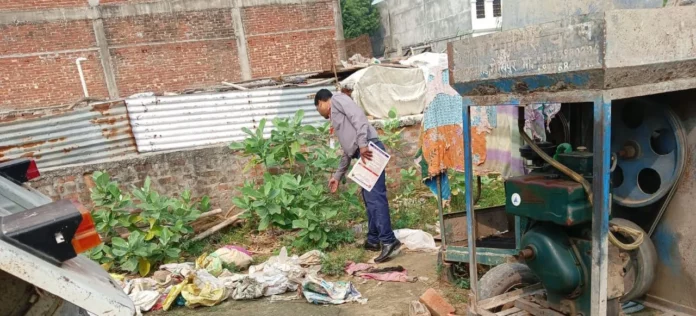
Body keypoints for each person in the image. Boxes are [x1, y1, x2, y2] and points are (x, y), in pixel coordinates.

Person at [314, 88, 401, 263]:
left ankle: (388, 241)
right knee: (369, 197)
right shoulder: (336, 116)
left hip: (369, 150)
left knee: (375, 197)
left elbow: (359, 118)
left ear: (322, 102)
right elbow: (347, 150)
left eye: (317, 108)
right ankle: (373, 239)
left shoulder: (337, 99)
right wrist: (337, 176)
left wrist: (362, 144)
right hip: (364, 152)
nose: (319, 112)